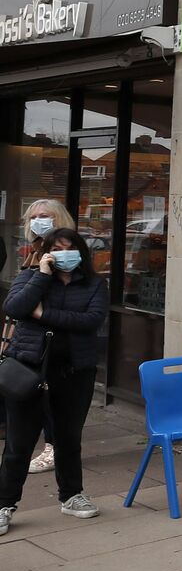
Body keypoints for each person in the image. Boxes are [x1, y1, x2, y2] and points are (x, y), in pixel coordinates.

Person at [0, 227, 107, 534]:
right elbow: (14, 308)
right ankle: (4, 504)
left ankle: (72, 495)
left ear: (81, 252)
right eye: (56, 248)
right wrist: (42, 275)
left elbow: (91, 321)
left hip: (74, 372)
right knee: (18, 445)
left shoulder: (95, 284)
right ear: (46, 252)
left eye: (69, 248)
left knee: (69, 439)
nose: (64, 254)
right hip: (29, 371)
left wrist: (44, 313)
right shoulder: (31, 277)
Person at [16, 198, 76, 476]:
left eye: (45, 215)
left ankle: (54, 448)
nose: (39, 220)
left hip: (56, 335)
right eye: (34, 216)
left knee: (52, 395)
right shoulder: (35, 249)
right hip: (33, 336)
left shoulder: (66, 250)